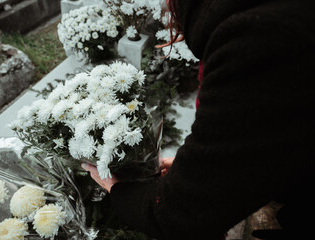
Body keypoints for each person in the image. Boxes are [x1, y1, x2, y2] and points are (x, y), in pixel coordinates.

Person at [81, 0, 315, 239]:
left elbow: (180, 213)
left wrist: (116, 188)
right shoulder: (265, 19)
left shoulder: (254, 38)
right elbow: (270, 139)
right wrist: (198, 168)